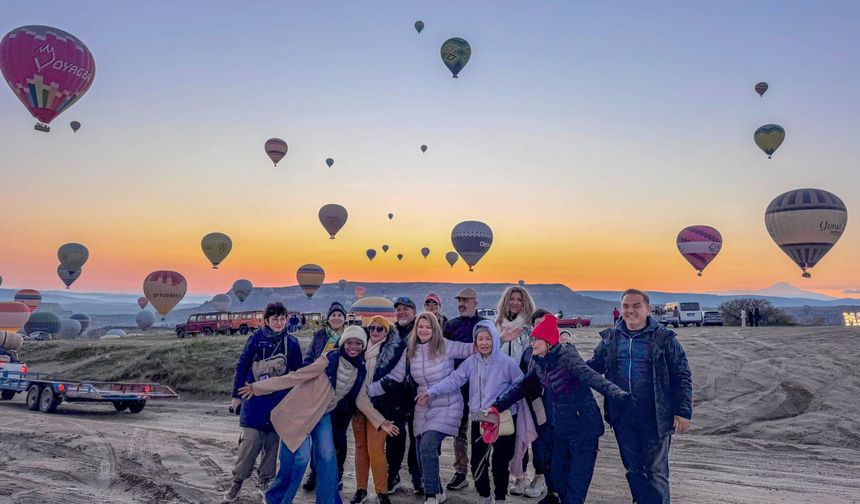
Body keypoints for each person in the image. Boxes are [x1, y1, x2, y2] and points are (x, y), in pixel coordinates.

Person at [238, 326, 400, 504]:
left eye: (358, 343)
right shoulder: (328, 360)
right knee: (300, 459)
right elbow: (295, 377)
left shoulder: (359, 369)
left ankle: (327, 501)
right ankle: (275, 498)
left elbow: (362, 401)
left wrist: (381, 422)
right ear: (343, 342)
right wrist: (257, 387)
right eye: (349, 342)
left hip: (322, 416)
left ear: (363, 346)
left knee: (327, 458)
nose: (353, 347)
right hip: (300, 413)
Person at [492, 314, 630, 504]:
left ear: (548, 341)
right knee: (558, 478)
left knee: (576, 484)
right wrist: (496, 407)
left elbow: (592, 377)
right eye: (532, 339)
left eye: (536, 339)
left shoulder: (566, 357)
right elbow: (521, 388)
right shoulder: (541, 363)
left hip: (584, 429)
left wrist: (621, 396)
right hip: (562, 429)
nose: (532, 344)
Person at [588, 289, 693, 504]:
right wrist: (563, 358)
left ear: (648, 309)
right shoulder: (611, 339)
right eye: (626, 306)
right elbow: (593, 367)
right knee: (633, 469)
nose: (630, 310)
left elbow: (681, 375)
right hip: (623, 415)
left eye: (636, 306)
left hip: (655, 415)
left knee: (655, 471)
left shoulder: (664, 338)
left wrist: (682, 411)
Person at [369, 313, 475, 504]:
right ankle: (439, 490)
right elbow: (395, 376)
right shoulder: (411, 350)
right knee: (419, 452)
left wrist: (499, 336)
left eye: (428, 327)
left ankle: (431, 495)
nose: (424, 330)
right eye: (420, 327)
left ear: (435, 329)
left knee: (427, 444)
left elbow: (474, 348)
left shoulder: (445, 345)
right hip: (423, 404)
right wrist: (368, 391)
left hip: (448, 402)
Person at [419, 321, 523, 503]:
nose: (484, 343)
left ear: (495, 340)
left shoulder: (507, 363)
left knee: (500, 463)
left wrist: (504, 404)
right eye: (480, 339)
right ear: (475, 341)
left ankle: (500, 498)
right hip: (480, 418)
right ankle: (485, 495)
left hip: (502, 419)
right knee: (477, 462)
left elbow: (520, 385)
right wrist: (431, 391)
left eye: (488, 339)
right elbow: (454, 379)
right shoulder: (470, 362)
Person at [225, 302, 302, 502]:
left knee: (272, 445)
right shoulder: (255, 340)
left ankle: (266, 482)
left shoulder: (291, 343)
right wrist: (236, 396)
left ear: (287, 320)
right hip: (253, 399)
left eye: (282, 318)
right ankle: (238, 481)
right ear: (266, 320)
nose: (279, 322)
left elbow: (297, 375)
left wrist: (295, 404)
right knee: (249, 443)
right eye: (275, 318)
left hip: (279, 402)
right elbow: (241, 366)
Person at [349, 316, 407, 504]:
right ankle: (361, 489)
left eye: (379, 329)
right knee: (360, 448)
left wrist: (370, 390)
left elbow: (396, 377)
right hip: (358, 406)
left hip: (381, 406)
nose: (374, 332)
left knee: (376, 449)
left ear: (387, 331)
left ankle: (381, 491)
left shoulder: (396, 350)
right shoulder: (360, 349)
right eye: (371, 328)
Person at [493, 285, 536, 494]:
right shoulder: (497, 325)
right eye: (512, 299)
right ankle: (502, 475)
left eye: (520, 299)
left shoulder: (529, 327)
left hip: (522, 387)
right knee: (504, 433)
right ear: (506, 301)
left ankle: (521, 476)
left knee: (522, 432)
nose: (516, 303)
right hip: (499, 387)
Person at [302, 302, 350, 491]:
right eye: (333, 315)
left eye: (339, 315)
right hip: (320, 393)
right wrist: (305, 375)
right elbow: (309, 358)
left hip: (343, 394)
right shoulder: (319, 337)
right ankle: (315, 473)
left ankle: (337, 474)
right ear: (328, 318)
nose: (336, 318)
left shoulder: (351, 336)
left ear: (344, 318)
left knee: (338, 437)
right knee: (318, 437)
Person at [442, 287, 485, 491]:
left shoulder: (484, 325)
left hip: (480, 387)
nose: (462, 303)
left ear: (475, 303)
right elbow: (442, 353)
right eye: (459, 300)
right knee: (460, 431)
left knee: (482, 431)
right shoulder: (450, 326)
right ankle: (461, 471)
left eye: (466, 300)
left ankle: (482, 469)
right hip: (457, 386)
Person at [514, 308, 552, 499]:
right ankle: (522, 477)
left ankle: (541, 477)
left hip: (547, 405)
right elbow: (521, 378)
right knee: (525, 439)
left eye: (544, 323)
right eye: (536, 324)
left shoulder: (558, 349)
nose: (540, 327)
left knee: (542, 442)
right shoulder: (528, 351)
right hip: (528, 403)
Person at [387, 296, 422, 495]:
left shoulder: (422, 331)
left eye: (405, 309)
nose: (401, 312)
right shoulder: (390, 333)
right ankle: (393, 475)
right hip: (395, 394)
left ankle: (417, 476)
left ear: (414, 312)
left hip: (417, 392)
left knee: (417, 435)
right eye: (398, 309)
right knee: (395, 436)